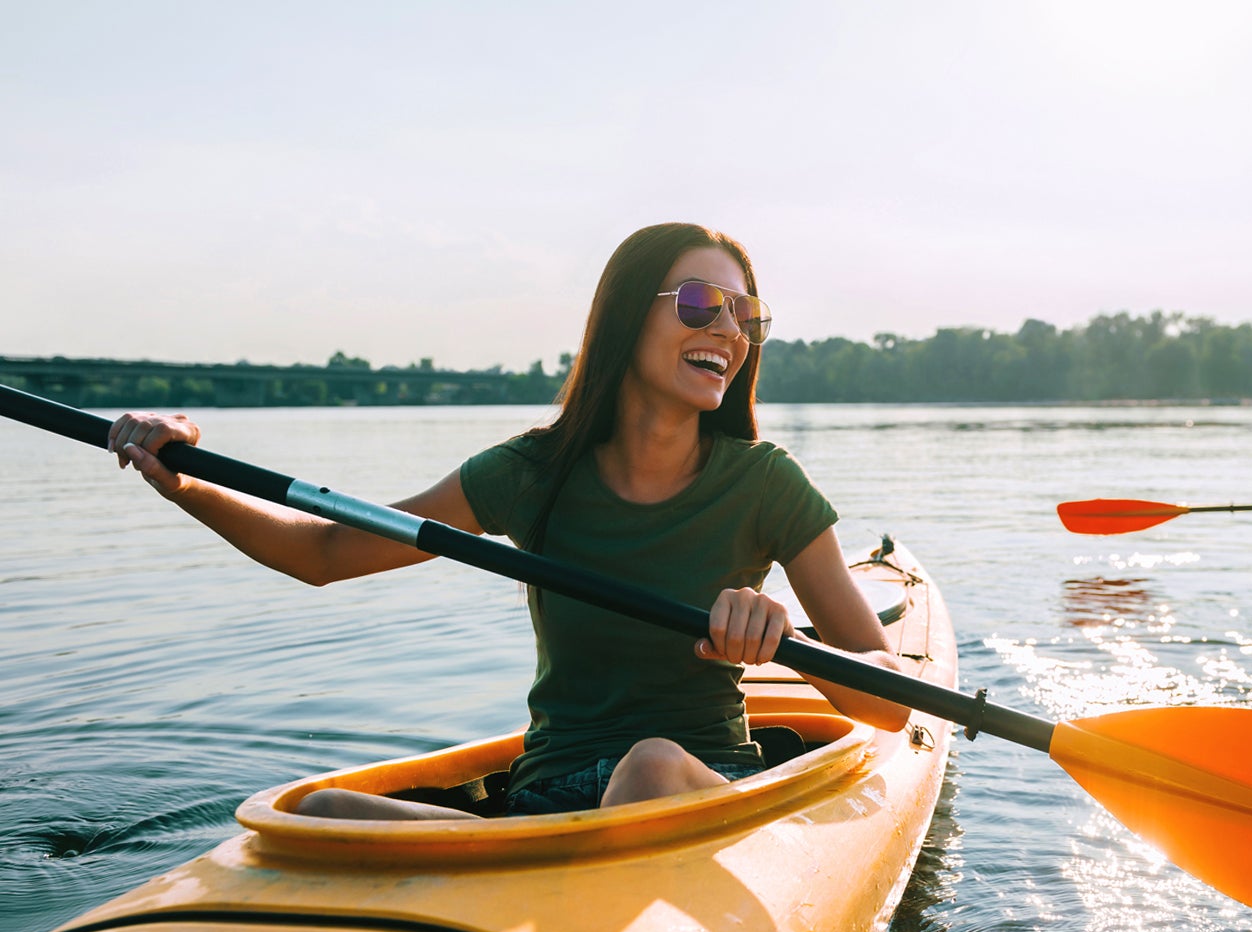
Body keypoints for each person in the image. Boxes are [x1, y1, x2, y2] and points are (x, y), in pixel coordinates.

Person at [107, 222, 909, 820]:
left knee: (652, 766)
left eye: (746, 314)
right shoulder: (531, 474)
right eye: (700, 303)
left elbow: (890, 699)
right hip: (545, 802)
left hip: (694, 794)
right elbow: (323, 551)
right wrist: (183, 483)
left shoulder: (766, 484)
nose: (729, 331)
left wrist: (786, 640)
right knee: (314, 811)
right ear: (628, 317)